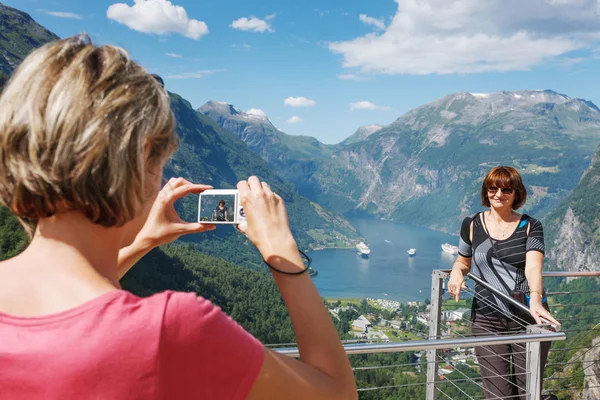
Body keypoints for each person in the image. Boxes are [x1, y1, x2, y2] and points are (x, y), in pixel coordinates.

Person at [0, 35, 357, 400]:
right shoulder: (173, 330)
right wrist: (284, 255)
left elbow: (70, 307)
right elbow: (338, 393)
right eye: (161, 163)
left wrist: (143, 242)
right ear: (138, 162)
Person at [447, 166, 560, 400]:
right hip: (487, 319)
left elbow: (533, 266)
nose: (498, 194)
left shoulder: (530, 226)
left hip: (528, 317)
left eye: (506, 189)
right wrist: (456, 273)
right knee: (497, 394)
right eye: (492, 188)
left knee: (528, 391)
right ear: (485, 191)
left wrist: (536, 300)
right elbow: (462, 260)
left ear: (516, 193)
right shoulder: (471, 224)